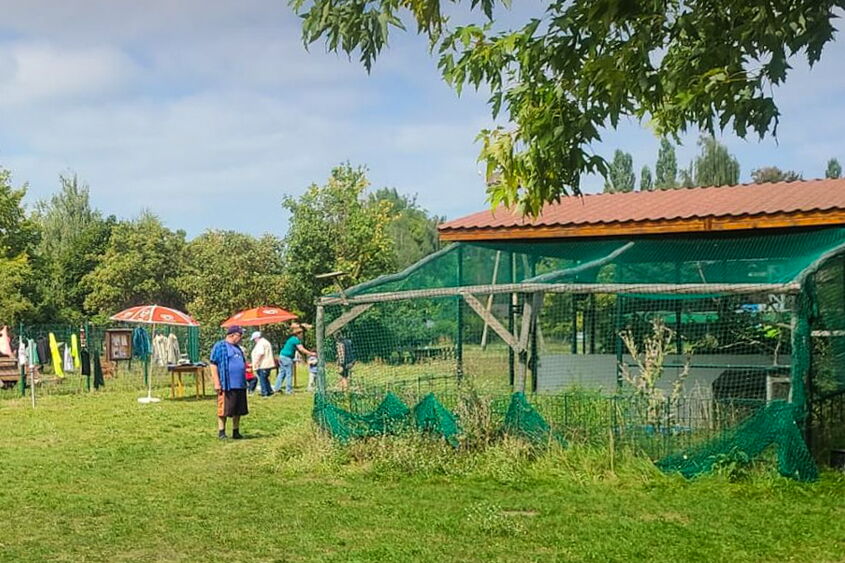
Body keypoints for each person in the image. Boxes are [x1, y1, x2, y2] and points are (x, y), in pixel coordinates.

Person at [209, 325, 249, 439]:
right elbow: (213, 364)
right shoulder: (220, 346)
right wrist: (217, 382)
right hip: (227, 384)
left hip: (240, 384)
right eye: (240, 335)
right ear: (232, 335)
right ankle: (222, 432)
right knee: (224, 409)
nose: (241, 337)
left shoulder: (238, 348)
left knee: (238, 409)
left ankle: (236, 431)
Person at [273, 323, 315, 395]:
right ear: (299, 334)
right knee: (289, 374)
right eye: (302, 333)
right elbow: (301, 349)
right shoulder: (296, 340)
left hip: (282, 356)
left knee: (282, 373)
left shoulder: (291, 339)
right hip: (287, 358)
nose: (302, 335)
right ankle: (288, 390)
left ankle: (276, 388)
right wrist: (311, 353)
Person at [249, 330, 275, 397]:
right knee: (265, 378)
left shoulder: (261, 343)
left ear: (257, 338)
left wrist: (256, 362)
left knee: (262, 379)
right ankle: (269, 391)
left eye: (254, 339)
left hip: (263, 364)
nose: (254, 341)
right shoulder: (266, 342)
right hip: (267, 364)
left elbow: (260, 353)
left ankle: (264, 392)